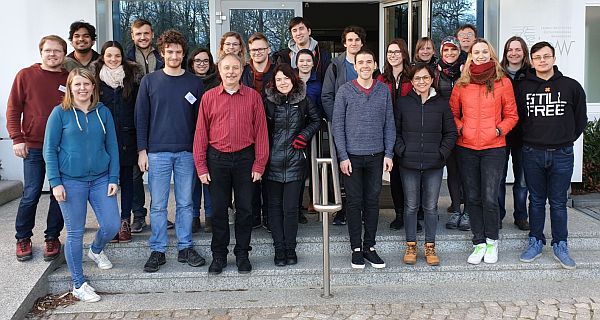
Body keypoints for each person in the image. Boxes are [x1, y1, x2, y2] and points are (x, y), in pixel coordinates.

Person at [43, 67, 120, 303]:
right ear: (70, 87)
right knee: (75, 232)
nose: (82, 88)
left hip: (100, 179)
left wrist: (113, 178)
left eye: (87, 84)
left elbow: (113, 147)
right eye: (77, 84)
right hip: (71, 181)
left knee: (112, 225)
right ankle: (78, 283)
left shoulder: (103, 112)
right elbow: (49, 150)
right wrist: (55, 183)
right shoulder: (60, 113)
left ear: (93, 87)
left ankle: (96, 249)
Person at [135, 29, 206, 273]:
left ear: (183, 53)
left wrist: (200, 153)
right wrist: (142, 150)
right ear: (163, 53)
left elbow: (201, 123)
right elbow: (141, 118)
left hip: (187, 152)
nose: (174, 55)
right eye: (170, 51)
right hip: (157, 152)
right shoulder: (149, 81)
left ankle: (185, 246)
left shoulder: (194, 83)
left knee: (186, 203)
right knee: (158, 205)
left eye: (178, 51)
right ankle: (158, 250)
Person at [193, 53, 269, 275]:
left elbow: (261, 132)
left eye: (235, 68)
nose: (231, 72)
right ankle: (219, 256)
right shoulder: (208, 97)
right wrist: (201, 166)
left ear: (242, 70)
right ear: (220, 70)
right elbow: (200, 133)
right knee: (218, 211)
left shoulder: (253, 97)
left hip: (246, 160)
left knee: (245, 210)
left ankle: (243, 253)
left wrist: (259, 164)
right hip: (217, 160)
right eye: (226, 68)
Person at [517, 41, 587, 270]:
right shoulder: (523, 87)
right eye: (537, 58)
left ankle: (560, 244)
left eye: (546, 56)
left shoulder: (571, 87)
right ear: (532, 61)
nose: (542, 61)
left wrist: (564, 139)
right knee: (535, 200)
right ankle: (536, 241)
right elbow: (517, 118)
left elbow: (580, 120)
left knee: (558, 202)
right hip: (532, 152)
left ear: (554, 58)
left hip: (562, 153)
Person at [450, 38, 518, 265]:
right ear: (470, 56)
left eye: (484, 52)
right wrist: (463, 129)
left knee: (490, 198)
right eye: (476, 52)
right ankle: (478, 242)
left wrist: (499, 130)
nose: (480, 55)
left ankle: (492, 242)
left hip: (494, 148)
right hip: (466, 148)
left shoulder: (503, 82)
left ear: (491, 55)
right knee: (473, 197)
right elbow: (451, 114)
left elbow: (512, 115)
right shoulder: (462, 83)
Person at [7, 35, 68, 262]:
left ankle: (52, 237)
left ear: (64, 54)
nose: (52, 55)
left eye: (57, 51)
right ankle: (23, 238)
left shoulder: (69, 78)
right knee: (31, 194)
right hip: (32, 146)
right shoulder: (26, 75)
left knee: (59, 195)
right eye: (48, 50)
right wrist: (17, 138)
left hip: (61, 149)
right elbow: (13, 109)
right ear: (41, 52)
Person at [332, 49, 395, 269]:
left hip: (376, 156)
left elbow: (389, 123)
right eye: (361, 62)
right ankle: (356, 249)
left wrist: (389, 153)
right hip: (352, 158)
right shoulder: (345, 91)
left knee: (372, 201)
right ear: (355, 66)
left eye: (369, 61)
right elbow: (337, 127)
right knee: (354, 201)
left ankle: (370, 247)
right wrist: (342, 156)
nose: (365, 65)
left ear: (375, 65)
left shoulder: (383, 90)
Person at [396, 63, 457, 266]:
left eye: (425, 78)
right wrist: (401, 150)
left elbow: (451, 133)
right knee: (411, 206)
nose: (421, 81)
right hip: (408, 163)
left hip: (434, 164)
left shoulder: (441, 104)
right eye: (417, 78)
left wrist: (441, 154)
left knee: (430, 207)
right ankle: (411, 245)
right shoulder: (403, 103)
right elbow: (394, 131)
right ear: (412, 81)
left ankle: (430, 246)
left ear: (432, 80)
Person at [263, 63, 321, 266]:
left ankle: (290, 249)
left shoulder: (303, 100)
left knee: (290, 209)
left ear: (293, 79)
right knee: (274, 209)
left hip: (296, 163)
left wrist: (303, 136)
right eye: (278, 79)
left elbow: (316, 121)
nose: (283, 83)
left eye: (286, 78)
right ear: (274, 82)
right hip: (272, 163)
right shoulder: (268, 102)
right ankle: (279, 249)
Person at [92, 40, 143, 243]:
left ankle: (124, 221)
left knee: (127, 181)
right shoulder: (95, 79)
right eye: (109, 55)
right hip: (101, 139)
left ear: (123, 58)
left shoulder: (132, 78)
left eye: (117, 56)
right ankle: (110, 223)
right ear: (103, 57)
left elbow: (138, 111)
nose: (113, 59)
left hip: (126, 138)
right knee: (105, 183)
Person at [322, 25, 367, 226]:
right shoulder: (335, 65)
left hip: (365, 129)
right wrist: (338, 121)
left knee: (363, 169)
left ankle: (361, 209)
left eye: (357, 39)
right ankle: (344, 209)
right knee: (343, 169)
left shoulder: (368, 63)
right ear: (344, 43)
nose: (354, 43)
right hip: (342, 127)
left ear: (362, 42)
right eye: (350, 40)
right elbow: (327, 95)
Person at [125, 19, 167, 234]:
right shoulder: (125, 59)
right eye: (138, 34)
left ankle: (159, 213)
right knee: (135, 171)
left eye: (146, 33)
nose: (142, 37)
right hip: (134, 116)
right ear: (132, 36)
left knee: (159, 170)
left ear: (152, 34)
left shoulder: (162, 57)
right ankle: (138, 215)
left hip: (159, 118)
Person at [376, 38, 412, 231]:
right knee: (396, 176)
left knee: (412, 175)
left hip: (411, 133)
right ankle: (399, 214)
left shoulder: (413, 75)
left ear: (404, 53)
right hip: (390, 133)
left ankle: (414, 213)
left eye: (397, 51)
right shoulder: (382, 78)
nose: (393, 55)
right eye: (390, 52)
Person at [241, 32, 277, 230]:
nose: (257, 53)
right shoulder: (244, 72)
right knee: (250, 174)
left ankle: (269, 216)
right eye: (254, 50)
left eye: (261, 49)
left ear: (268, 49)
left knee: (270, 174)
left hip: (273, 128)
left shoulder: (278, 70)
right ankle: (254, 215)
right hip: (248, 129)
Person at [436, 36, 469, 231]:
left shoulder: (468, 70)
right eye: (446, 50)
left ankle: (469, 211)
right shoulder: (436, 72)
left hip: (467, 127)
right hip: (446, 129)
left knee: (469, 171)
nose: (449, 53)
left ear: (459, 51)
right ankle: (456, 209)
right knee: (453, 171)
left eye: (453, 50)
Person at [498, 36, 531, 231]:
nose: (514, 53)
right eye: (510, 49)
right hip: (501, 134)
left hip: (524, 135)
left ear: (524, 52)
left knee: (522, 179)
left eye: (518, 49)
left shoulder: (531, 75)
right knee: (499, 178)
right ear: (505, 53)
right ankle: (498, 215)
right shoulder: (498, 74)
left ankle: (521, 216)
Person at [187, 47, 217, 233]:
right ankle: (194, 216)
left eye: (205, 61)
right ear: (191, 63)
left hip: (213, 136)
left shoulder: (217, 82)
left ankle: (211, 216)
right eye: (198, 61)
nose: (202, 64)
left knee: (209, 178)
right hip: (190, 135)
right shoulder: (186, 81)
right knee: (193, 179)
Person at [295, 48, 323, 221]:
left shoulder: (318, 84)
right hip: (294, 132)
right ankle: (296, 206)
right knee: (296, 170)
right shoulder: (290, 81)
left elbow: (320, 107)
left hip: (312, 131)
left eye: (308, 61)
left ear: (313, 64)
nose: (305, 64)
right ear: (296, 63)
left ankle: (314, 200)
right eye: (302, 61)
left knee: (313, 168)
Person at [274, 17, 331, 83]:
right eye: (294, 30)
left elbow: (328, 83)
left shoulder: (323, 55)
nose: (298, 33)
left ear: (309, 31)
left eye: (301, 29)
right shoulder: (283, 56)